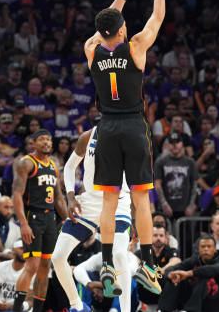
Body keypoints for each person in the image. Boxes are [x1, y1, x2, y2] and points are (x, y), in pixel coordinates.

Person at [84, 0, 166, 297]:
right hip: (133, 125)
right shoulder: (135, 47)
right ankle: (147, 263)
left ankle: (105, 263)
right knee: (141, 198)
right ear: (121, 30)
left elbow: (103, 26)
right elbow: (157, 17)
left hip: (106, 128)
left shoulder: (91, 50)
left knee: (108, 201)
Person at [52, 127, 134, 312]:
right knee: (57, 257)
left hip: (118, 202)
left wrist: (136, 217)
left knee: (120, 255)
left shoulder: (132, 136)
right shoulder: (88, 136)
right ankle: (78, 306)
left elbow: (139, 181)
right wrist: (71, 196)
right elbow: (71, 166)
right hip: (89, 203)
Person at [11, 130, 67, 312]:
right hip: (32, 216)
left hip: (50, 218)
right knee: (32, 265)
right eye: (42, 139)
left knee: (45, 266)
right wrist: (23, 224)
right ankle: (17, 308)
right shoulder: (26, 162)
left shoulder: (54, 165)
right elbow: (17, 194)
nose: (46, 142)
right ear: (33, 143)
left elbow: (58, 198)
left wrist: (67, 218)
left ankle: (38, 309)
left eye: (49, 139)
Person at [158, 235, 219, 312]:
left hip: (218, 300)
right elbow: (175, 267)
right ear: (199, 249)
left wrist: (189, 273)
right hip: (197, 297)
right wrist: (170, 274)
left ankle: (189, 310)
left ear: (215, 249)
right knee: (175, 278)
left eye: (209, 246)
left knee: (205, 279)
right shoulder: (195, 259)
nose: (206, 249)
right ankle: (163, 309)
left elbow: (210, 270)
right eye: (203, 246)